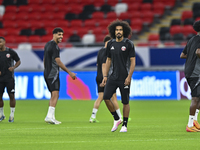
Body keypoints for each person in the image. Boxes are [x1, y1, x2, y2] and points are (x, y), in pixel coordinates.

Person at [101, 19, 136, 132]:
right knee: (106, 97)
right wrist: (105, 76)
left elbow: (132, 62)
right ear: (113, 31)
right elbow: (108, 60)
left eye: (120, 30)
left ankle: (125, 125)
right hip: (113, 76)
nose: (118, 32)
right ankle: (117, 119)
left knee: (125, 102)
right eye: (117, 30)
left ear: (124, 31)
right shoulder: (110, 43)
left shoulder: (128, 44)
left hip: (124, 77)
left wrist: (129, 77)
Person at [43, 27, 77, 125]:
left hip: (47, 72)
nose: (61, 36)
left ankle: (51, 117)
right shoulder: (55, 46)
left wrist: (47, 70)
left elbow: (45, 60)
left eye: (62, 34)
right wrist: (69, 72)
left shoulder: (48, 44)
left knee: (53, 94)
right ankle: (49, 116)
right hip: (53, 73)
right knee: (55, 94)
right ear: (53, 34)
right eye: (59, 34)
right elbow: (58, 62)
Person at [89, 35, 122, 123]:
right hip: (105, 77)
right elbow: (104, 64)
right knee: (114, 97)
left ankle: (92, 116)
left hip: (98, 76)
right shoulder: (107, 51)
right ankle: (120, 117)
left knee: (100, 97)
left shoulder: (100, 51)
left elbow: (97, 64)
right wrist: (105, 77)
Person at [180, 20, 200, 132]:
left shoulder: (192, 39)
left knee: (199, 97)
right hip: (195, 72)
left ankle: (195, 121)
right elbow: (198, 52)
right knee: (195, 98)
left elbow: (182, 55)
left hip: (190, 70)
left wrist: (192, 57)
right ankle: (189, 125)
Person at [0, 37, 21, 122]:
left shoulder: (10, 52)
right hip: (0, 79)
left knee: (11, 96)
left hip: (9, 78)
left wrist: (13, 67)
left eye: (0, 42)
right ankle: (1, 114)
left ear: (4, 42)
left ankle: (12, 115)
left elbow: (18, 61)